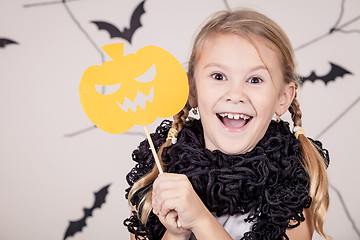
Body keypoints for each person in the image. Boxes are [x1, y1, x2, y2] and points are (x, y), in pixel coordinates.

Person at [124, 8, 330, 240]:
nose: (235, 94)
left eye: (255, 80)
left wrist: (200, 219)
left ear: (283, 97)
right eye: (219, 76)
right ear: (191, 89)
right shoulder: (158, 169)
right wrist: (175, 233)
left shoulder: (294, 182)